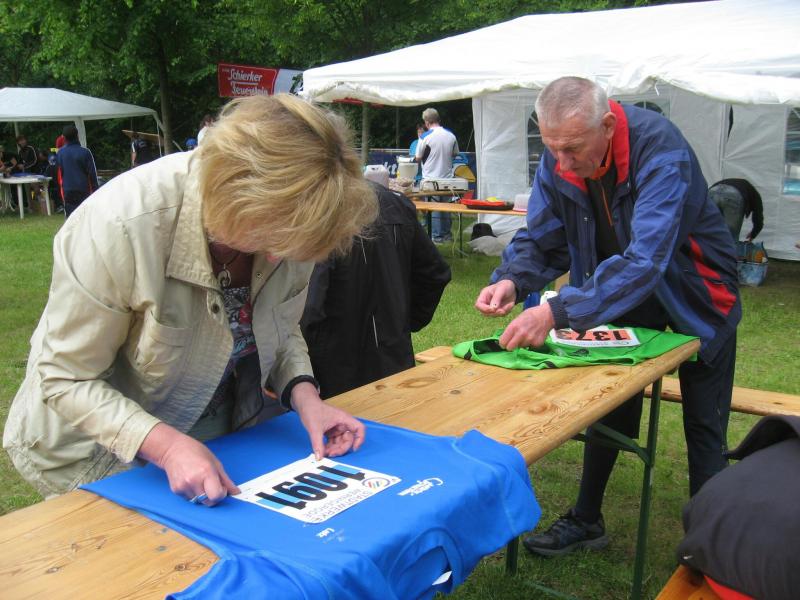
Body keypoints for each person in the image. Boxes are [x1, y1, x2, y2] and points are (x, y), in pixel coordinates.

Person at [4, 94, 378, 506]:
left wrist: (307, 399)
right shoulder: (120, 225)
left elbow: (280, 323)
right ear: (237, 196)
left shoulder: (295, 223)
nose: (278, 258)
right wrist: (166, 448)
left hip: (212, 428)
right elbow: (65, 376)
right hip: (96, 447)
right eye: (272, 239)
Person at [474, 77, 740, 556]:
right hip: (618, 292)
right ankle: (587, 519)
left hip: (697, 293)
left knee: (705, 422)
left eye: (572, 149)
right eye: (551, 148)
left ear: (608, 125)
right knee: (609, 401)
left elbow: (646, 260)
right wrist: (513, 279)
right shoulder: (563, 154)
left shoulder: (661, 149)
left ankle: (710, 546)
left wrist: (557, 311)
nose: (561, 163)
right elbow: (543, 237)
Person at [300, 182, 452, 398]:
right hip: (387, 358)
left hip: (335, 371)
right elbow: (434, 273)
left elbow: (308, 306)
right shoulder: (394, 202)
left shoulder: (318, 206)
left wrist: (407, 320)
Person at [415, 108, 459, 243]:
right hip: (447, 178)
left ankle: (437, 236)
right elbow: (455, 153)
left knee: (434, 208)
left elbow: (417, 158)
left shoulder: (424, 137)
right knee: (446, 207)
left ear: (427, 122)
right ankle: (447, 235)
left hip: (430, 179)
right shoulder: (451, 135)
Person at [56, 124, 99, 217]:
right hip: (83, 189)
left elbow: (60, 175)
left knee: (71, 218)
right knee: (85, 216)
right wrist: (96, 191)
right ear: (77, 136)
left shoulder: (60, 153)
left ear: (64, 138)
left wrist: (62, 191)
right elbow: (92, 174)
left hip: (68, 189)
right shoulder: (85, 152)